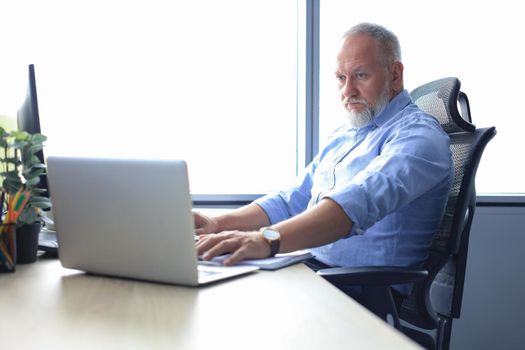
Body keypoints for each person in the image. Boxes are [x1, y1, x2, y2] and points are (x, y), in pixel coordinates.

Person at [195, 22, 453, 297]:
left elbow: (358, 201)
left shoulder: (420, 137)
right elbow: (291, 199)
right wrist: (217, 224)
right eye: (341, 78)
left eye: (361, 75)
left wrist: (266, 238)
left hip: (365, 293)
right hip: (315, 273)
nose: (347, 91)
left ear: (395, 75)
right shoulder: (345, 136)